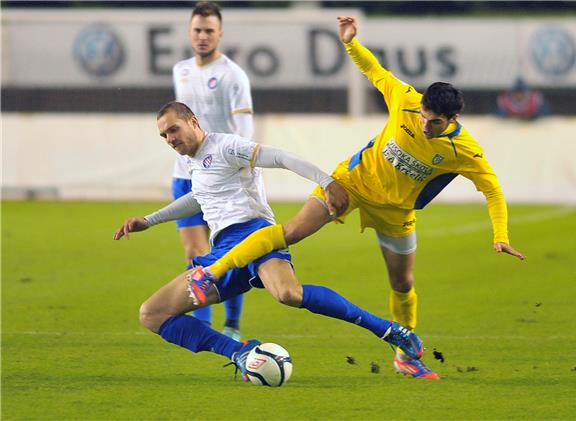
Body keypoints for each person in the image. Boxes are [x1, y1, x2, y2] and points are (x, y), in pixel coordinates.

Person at [190, 16, 527, 380]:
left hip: (395, 212)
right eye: (424, 118)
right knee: (291, 232)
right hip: (349, 185)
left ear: (454, 118)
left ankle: (405, 354)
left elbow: (492, 190)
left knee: (403, 283)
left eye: (435, 123)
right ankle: (210, 271)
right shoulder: (406, 101)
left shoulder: (465, 150)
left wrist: (500, 235)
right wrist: (351, 43)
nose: (425, 127)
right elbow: (375, 70)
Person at [113, 101, 426, 381]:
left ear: (193, 120)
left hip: (254, 233)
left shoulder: (225, 146)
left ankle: (389, 330)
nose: (170, 139)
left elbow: (280, 157)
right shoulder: (193, 161)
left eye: (173, 130)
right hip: (223, 247)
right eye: (164, 136)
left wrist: (327, 182)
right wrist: (150, 220)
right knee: (152, 314)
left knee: (288, 293)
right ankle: (239, 352)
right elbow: (200, 197)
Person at [171, 2, 254, 340]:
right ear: (190, 33)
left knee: (228, 254)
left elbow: (245, 126)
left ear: (220, 34)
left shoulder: (234, 75)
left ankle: (232, 324)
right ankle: (203, 325)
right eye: (197, 30)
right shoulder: (181, 70)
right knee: (194, 253)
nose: (202, 36)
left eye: (209, 30)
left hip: (221, 176)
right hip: (185, 174)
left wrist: (235, 163)